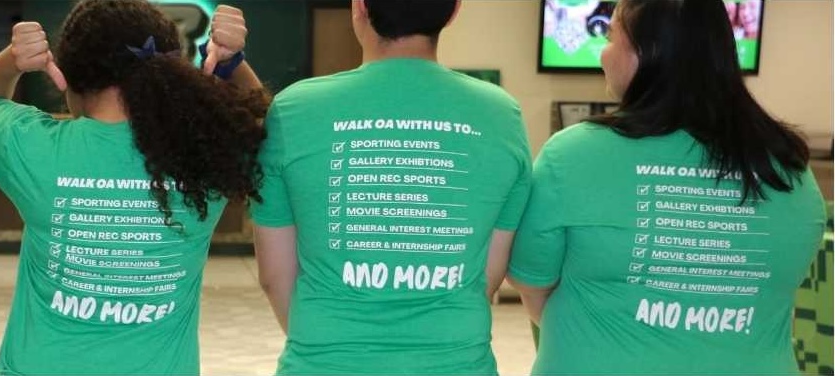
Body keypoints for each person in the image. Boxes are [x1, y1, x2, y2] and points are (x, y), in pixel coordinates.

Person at [509, 0, 824, 374]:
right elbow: (777, 300)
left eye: (610, 37)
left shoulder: (572, 154)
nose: (603, 55)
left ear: (645, 52)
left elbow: (533, 285)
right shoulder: (790, 170)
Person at [0, 0, 266, 373]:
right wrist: (233, 64)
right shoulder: (205, 158)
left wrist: (12, 60)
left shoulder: (36, 147)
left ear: (68, 79)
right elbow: (261, 125)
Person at [253, 0, 531, 374]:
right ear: (454, 11)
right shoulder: (502, 114)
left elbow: (275, 277)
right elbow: (487, 277)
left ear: (359, 7)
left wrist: (331, 345)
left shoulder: (293, 109)